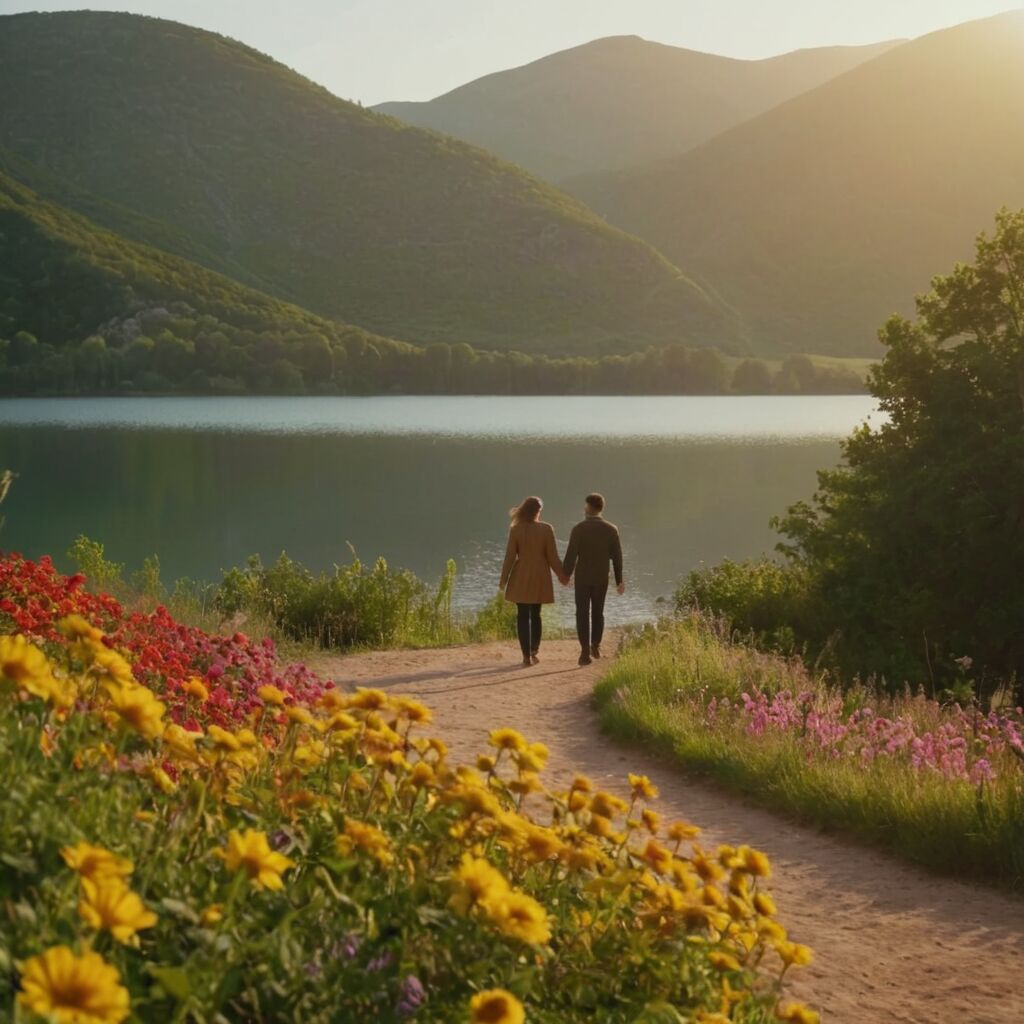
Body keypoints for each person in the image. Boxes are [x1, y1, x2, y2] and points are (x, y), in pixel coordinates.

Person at [499, 496, 568, 667]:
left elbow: (509, 557)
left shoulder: (516, 529)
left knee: (522, 615)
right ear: (538, 511)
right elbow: (552, 557)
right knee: (536, 614)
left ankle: (525, 655)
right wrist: (562, 575)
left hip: (521, 574)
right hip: (540, 575)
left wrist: (503, 580)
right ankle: (533, 650)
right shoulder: (546, 529)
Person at [562, 492, 624, 666]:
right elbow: (617, 557)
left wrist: (565, 575)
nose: (584, 509)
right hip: (601, 578)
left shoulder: (579, 529)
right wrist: (619, 580)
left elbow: (571, 556)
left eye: (585, 506)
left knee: (582, 613)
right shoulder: (611, 529)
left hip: (582, 578)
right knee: (598, 613)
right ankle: (595, 644)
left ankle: (584, 653)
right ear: (601, 508)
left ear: (589, 508)